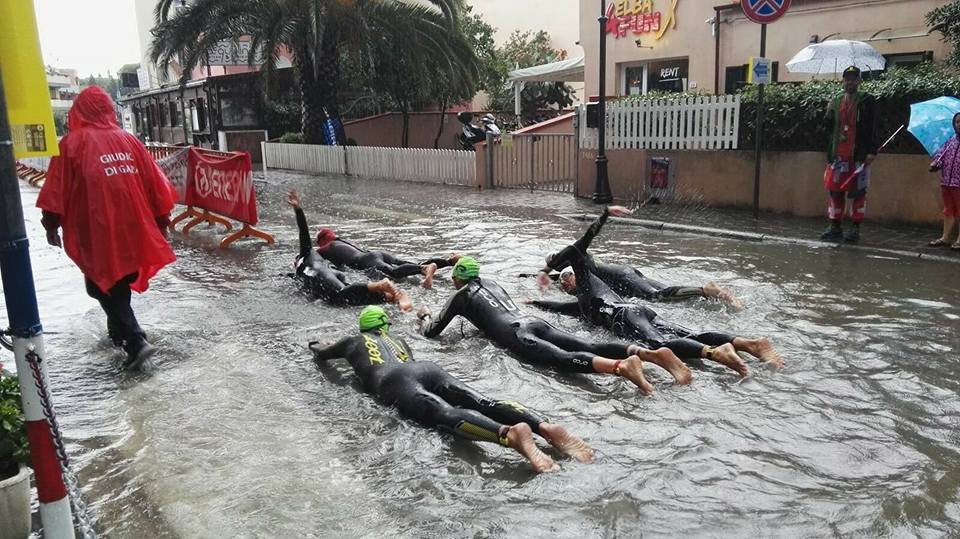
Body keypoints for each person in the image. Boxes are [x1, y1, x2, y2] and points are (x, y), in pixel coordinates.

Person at [309, 306, 594, 473]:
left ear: (362, 327)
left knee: (443, 413)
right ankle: (543, 427)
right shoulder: (396, 339)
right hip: (426, 368)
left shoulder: (352, 341)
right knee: (483, 400)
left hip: (394, 380)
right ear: (385, 326)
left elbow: (323, 353)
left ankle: (508, 435)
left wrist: (314, 344)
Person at [37, 87, 177, 368]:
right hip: (133, 225)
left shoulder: (72, 144)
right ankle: (119, 336)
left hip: (96, 227)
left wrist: (51, 224)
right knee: (119, 279)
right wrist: (161, 221)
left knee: (103, 283)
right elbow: (155, 184)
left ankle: (135, 340)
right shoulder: (129, 140)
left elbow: (57, 188)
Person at [418, 257, 691, 395]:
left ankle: (621, 367)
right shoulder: (492, 283)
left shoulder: (459, 296)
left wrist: (423, 315)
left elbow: (432, 332)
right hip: (533, 322)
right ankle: (648, 355)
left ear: (457, 279)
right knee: (587, 344)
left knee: (561, 359)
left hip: (518, 334)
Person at [528, 247, 784, 377]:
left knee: (661, 344)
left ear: (575, 274)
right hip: (639, 312)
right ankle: (749, 344)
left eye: (566, 279)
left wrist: (547, 266)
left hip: (625, 316)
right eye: (561, 283)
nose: (564, 285)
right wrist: (532, 303)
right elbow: (556, 307)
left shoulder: (587, 280)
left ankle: (715, 353)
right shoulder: (582, 302)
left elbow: (575, 252)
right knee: (688, 333)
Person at [537, 206, 741, 308]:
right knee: (664, 293)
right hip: (626, 272)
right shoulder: (580, 258)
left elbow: (589, 233)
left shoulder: (576, 256)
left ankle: (706, 290)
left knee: (656, 297)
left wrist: (606, 213)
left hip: (623, 278)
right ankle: (713, 293)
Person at [288, 191, 411, 310]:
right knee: (344, 299)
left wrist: (298, 209)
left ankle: (379, 285)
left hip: (325, 278)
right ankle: (397, 296)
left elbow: (303, 231)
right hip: (326, 289)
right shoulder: (300, 273)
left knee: (341, 293)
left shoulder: (307, 253)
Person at [821, 66, 877, 243]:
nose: (850, 82)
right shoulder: (835, 100)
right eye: (847, 79)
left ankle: (855, 229)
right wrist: (828, 112)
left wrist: (871, 151)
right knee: (835, 192)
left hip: (857, 155)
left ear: (859, 81)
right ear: (843, 81)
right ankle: (835, 226)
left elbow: (873, 128)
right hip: (838, 155)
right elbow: (827, 128)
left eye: (854, 79)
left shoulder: (868, 101)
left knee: (857, 192)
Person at [314, 223, 457, 289]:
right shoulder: (344, 242)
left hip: (366, 260)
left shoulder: (327, 247)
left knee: (393, 272)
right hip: (376, 254)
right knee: (402, 263)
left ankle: (424, 269)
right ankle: (449, 262)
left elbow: (312, 257)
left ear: (322, 241)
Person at [928, 112, 960, 250]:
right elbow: (941, 155)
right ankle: (946, 237)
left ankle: (959, 240)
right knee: (948, 211)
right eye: (958, 122)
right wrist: (935, 164)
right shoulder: (950, 141)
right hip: (946, 182)